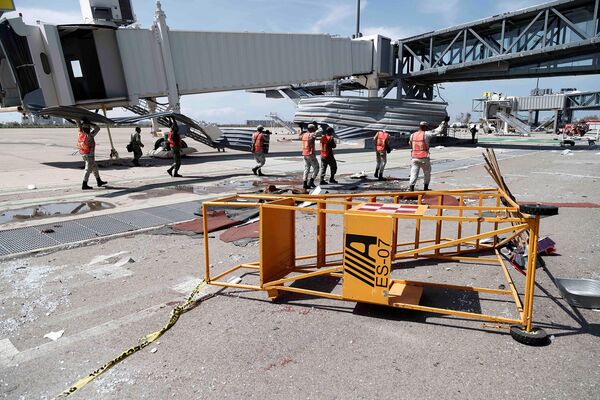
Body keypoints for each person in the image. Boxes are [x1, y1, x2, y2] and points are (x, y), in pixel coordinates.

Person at [408, 118, 448, 191]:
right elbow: (437, 131)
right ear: (424, 127)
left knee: (413, 173)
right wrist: (444, 122)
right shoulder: (426, 134)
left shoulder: (412, 135)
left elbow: (410, 144)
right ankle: (425, 188)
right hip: (424, 157)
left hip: (414, 157)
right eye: (426, 127)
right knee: (427, 173)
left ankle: (411, 188)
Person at [77, 118, 107, 190]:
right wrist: (90, 123)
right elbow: (97, 128)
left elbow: (79, 126)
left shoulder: (81, 134)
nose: (90, 129)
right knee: (88, 170)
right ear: (88, 129)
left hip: (84, 154)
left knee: (95, 167)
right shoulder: (90, 135)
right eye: (89, 128)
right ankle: (84, 184)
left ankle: (99, 181)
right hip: (89, 155)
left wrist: (78, 121)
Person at [301, 123, 321, 189]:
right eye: (313, 129)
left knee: (307, 168)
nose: (314, 130)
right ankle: (311, 181)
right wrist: (318, 126)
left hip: (304, 153)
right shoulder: (311, 134)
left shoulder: (304, 135)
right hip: (310, 154)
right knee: (316, 168)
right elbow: (320, 131)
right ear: (311, 129)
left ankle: (304, 183)